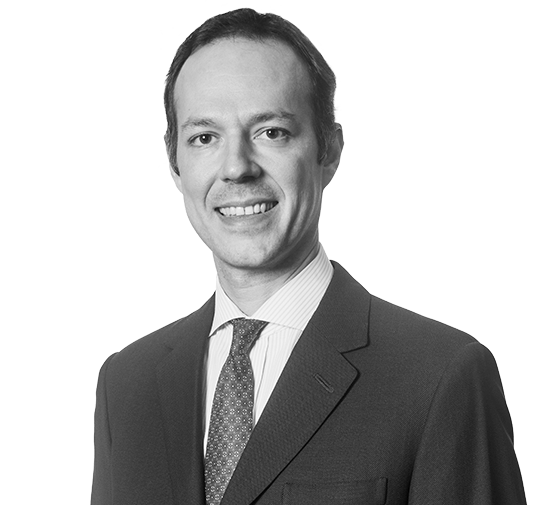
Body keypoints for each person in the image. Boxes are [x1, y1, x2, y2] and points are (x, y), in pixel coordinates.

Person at [91, 8, 525, 505]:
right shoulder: (126, 383)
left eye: (271, 131)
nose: (236, 168)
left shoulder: (442, 374)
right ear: (175, 167)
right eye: (204, 138)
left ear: (329, 150)